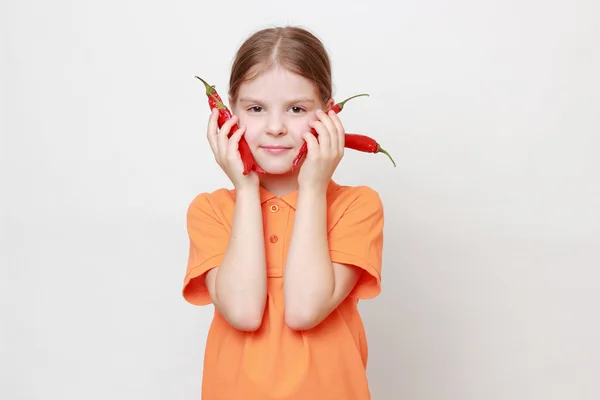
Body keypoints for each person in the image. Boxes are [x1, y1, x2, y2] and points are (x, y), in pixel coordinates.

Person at [182, 25, 385, 400]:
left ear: (326, 112)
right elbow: (243, 312)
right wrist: (245, 188)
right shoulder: (210, 211)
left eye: (296, 109)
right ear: (231, 111)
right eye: (256, 109)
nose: (275, 128)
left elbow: (305, 310)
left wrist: (311, 188)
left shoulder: (356, 206)